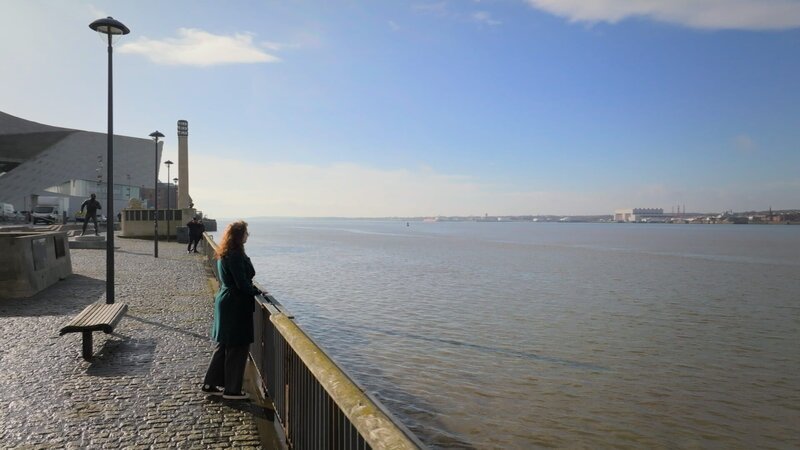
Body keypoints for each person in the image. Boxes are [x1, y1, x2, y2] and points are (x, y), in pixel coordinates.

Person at [201, 221, 263, 400]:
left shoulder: (225, 253)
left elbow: (244, 275)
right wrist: (255, 291)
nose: (247, 236)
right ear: (239, 235)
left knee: (224, 345)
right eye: (245, 233)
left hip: (226, 300)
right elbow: (242, 282)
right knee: (238, 346)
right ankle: (232, 390)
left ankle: (210, 383)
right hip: (235, 304)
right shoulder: (235, 255)